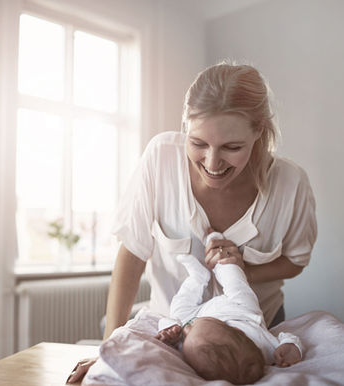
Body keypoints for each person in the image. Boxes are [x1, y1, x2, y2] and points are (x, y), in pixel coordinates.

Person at [67, 62, 316, 383]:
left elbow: (294, 261)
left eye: (232, 147)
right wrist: (109, 351)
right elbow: (133, 253)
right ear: (185, 125)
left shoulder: (291, 183)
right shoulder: (160, 157)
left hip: (250, 339)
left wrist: (242, 270)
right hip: (170, 330)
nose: (212, 163)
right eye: (198, 143)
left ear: (259, 132)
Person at [154, 231, 302, 384]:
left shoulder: (192, 342)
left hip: (199, 315)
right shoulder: (265, 348)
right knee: (234, 279)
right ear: (235, 331)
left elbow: (173, 324)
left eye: (186, 337)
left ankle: (198, 277)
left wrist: (168, 330)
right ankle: (219, 250)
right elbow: (286, 339)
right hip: (240, 310)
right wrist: (291, 346)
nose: (187, 329)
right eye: (191, 331)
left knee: (177, 311)